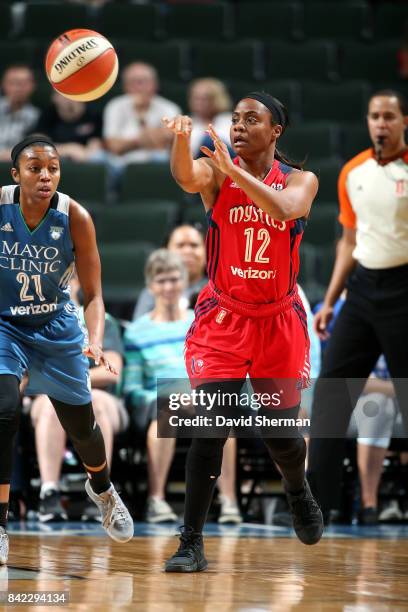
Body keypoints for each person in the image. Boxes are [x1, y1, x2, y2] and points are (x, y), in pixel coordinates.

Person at [162, 91, 322, 572]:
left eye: (251, 119)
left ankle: (298, 491)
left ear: (275, 132)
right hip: (224, 320)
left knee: (283, 439)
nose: (238, 125)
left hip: (278, 322)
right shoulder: (216, 172)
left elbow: (285, 211)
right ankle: (191, 541)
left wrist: (238, 173)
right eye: (234, 119)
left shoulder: (301, 180)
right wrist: (182, 140)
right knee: (209, 428)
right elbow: (186, 176)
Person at [0, 135, 133, 566]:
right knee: (3, 411)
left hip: (55, 327)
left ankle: (102, 488)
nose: (45, 176)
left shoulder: (75, 216)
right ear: (15, 173)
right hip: (5, 325)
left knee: (83, 428)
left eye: (53, 169)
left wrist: (93, 339)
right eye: (35, 167)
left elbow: (93, 294)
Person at [307, 90, 408, 521]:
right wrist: (330, 302)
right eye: (374, 116)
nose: (381, 123)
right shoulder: (352, 172)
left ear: (404, 121)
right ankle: (316, 505)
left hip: (405, 288)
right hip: (364, 289)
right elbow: (348, 242)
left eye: (389, 116)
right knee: (332, 391)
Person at [124, 249, 241, 524]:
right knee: (167, 411)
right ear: (150, 285)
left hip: (202, 395)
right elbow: (131, 388)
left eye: (174, 279)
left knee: (220, 414)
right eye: (161, 280)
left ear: (186, 281)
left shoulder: (200, 321)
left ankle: (229, 502)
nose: (168, 287)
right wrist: (167, 393)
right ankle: (157, 500)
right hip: (156, 401)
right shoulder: (136, 332)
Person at [30, 272, 129, 523]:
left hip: (101, 396)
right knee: (51, 405)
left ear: (78, 283)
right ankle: (49, 492)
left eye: (69, 278)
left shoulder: (99, 320)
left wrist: (72, 381)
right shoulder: (37, 319)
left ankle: (99, 493)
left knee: (97, 402)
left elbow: (113, 370)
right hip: (47, 395)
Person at [103, 62, 181, 164]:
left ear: (155, 84)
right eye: (132, 82)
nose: (138, 87)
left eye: (143, 82)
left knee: (161, 158)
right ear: (125, 86)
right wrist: (144, 139)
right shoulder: (115, 106)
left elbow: (171, 141)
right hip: (121, 163)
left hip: (157, 163)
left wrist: (141, 120)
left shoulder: (169, 107)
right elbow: (113, 146)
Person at [133, 224, 207, 319]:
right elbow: (140, 329)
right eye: (180, 245)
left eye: (194, 245)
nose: (188, 251)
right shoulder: (152, 292)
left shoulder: (217, 290)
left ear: (206, 251)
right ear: (166, 251)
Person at [33, 92, 104, 162]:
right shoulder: (48, 113)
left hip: (84, 158)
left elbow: (95, 143)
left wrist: (86, 154)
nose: (69, 99)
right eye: (64, 94)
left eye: (73, 94)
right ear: (54, 98)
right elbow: (37, 144)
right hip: (55, 157)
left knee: (98, 157)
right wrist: (67, 149)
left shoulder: (93, 114)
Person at [0, 65, 39, 161]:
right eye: (13, 83)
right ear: (3, 85)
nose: (18, 88)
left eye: (23, 83)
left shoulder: (37, 117)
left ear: (32, 86)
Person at [188, 78, 233, 159]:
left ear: (216, 99)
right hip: (198, 167)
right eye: (196, 98)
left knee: (209, 141)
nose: (199, 103)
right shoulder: (187, 123)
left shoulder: (230, 120)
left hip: (229, 165)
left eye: (205, 99)